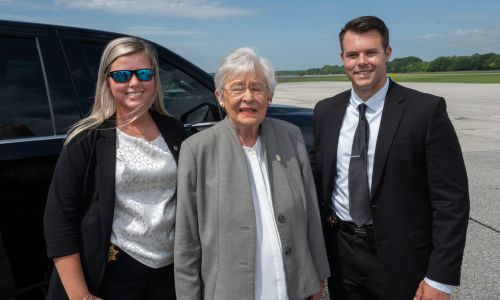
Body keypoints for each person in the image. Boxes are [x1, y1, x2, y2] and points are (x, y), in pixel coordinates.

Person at [310, 16, 469, 300]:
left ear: (387, 54)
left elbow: (451, 200)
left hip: (402, 259)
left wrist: (440, 279)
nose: (362, 62)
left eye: (371, 52)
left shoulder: (425, 111)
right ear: (342, 59)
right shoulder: (326, 112)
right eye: (353, 54)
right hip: (341, 253)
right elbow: (316, 181)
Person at [174, 47, 330, 300]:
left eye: (257, 88)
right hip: (229, 290)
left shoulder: (290, 136)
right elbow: (187, 241)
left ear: (269, 96)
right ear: (220, 97)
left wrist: (318, 275)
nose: (248, 97)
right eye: (237, 88)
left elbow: (310, 212)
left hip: (291, 285)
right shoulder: (197, 149)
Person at [44, 37, 184, 299]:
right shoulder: (86, 140)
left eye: (143, 73)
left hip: (168, 272)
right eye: (121, 75)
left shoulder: (174, 131)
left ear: (155, 78)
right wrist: (81, 296)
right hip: (115, 271)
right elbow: (59, 221)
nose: (134, 83)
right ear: (107, 81)